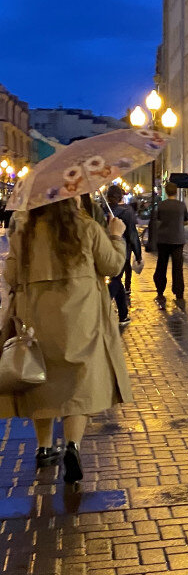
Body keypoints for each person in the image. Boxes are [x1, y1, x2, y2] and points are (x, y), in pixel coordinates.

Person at [0, 198, 132, 484]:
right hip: (81, 320)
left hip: (36, 320)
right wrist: (116, 235)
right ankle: (72, 445)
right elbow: (112, 266)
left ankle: (44, 449)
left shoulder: (25, 230)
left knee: (40, 381)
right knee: (79, 383)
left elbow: (10, 275)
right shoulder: (86, 227)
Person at [106, 184, 142, 328]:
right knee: (116, 279)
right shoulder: (127, 212)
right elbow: (132, 235)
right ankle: (104, 303)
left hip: (105, 250)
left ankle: (123, 314)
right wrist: (138, 255)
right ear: (121, 196)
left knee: (118, 280)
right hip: (122, 251)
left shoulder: (102, 211)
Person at [153, 182, 188, 310]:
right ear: (176, 191)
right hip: (178, 240)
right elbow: (186, 220)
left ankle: (160, 291)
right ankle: (179, 293)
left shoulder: (161, 205)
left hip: (163, 240)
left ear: (166, 192)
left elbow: (157, 219)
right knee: (177, 268)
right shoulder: (181, 205)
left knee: (161, 266)